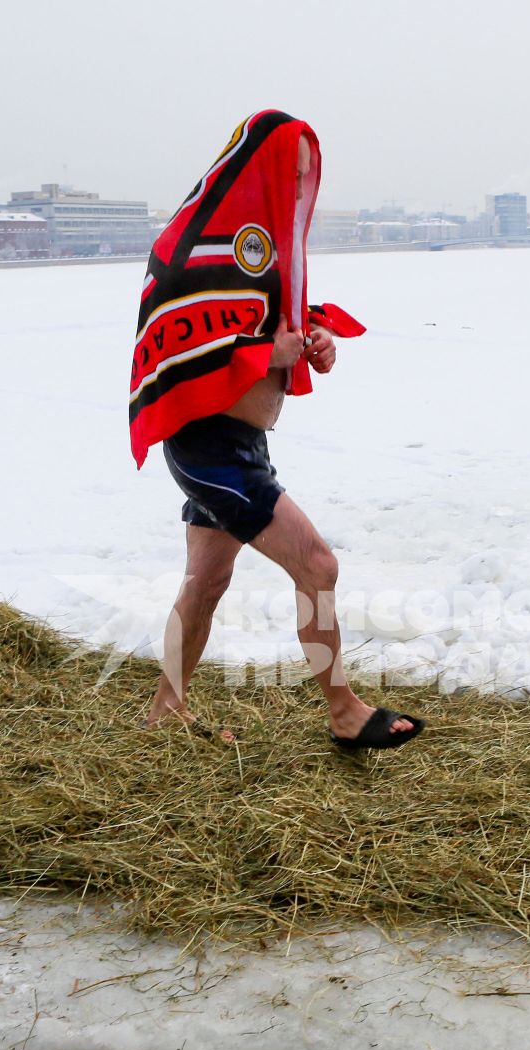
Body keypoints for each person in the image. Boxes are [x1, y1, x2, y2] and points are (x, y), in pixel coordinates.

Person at [128, 110, 423, 751]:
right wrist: (269, 356)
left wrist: (310, 338)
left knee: (205, 583)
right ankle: (342, 707)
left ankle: (164, 712)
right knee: (318, 565)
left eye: (307, 173)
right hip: (205, 447)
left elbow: (262, 319)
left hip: (240, 443)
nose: (299, 184)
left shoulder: (261, 245)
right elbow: (180, 329)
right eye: (289, 168)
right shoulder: (192, 244)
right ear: (257, 163)